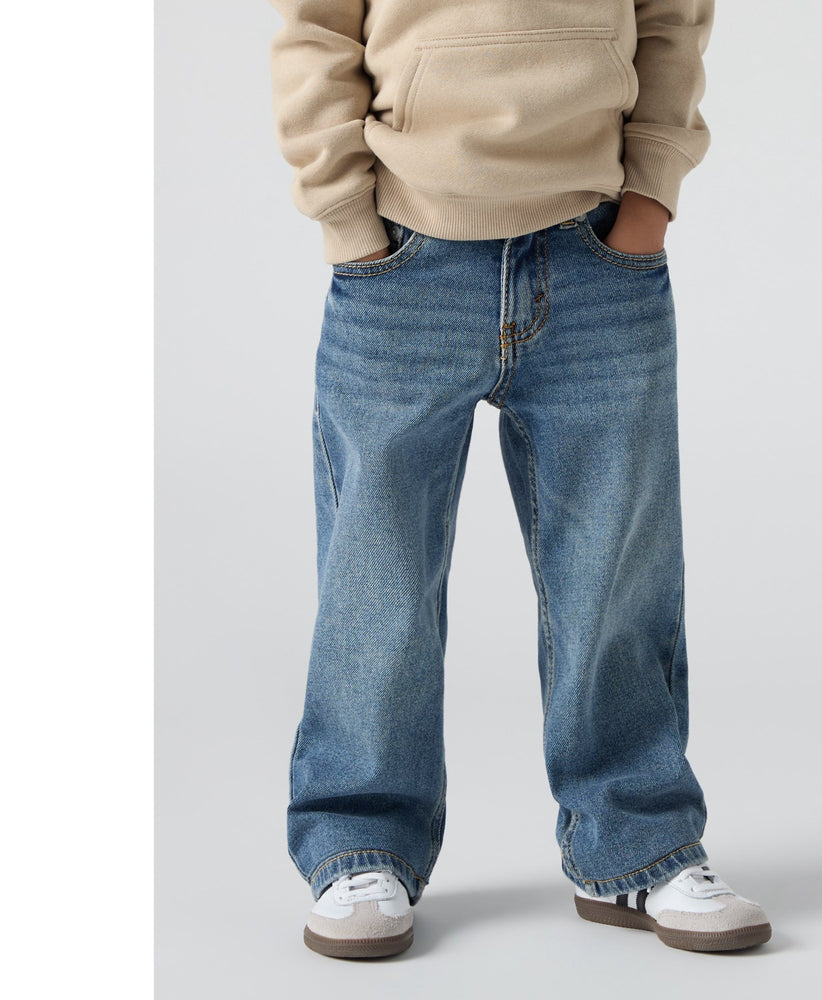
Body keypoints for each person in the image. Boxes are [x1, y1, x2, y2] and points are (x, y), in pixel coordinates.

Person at [267, 0, 771, 959]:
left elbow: (671, 20)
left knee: (616, 576)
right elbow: (317, 31)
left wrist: (649, 201)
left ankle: (638, 843)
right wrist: (347, 217)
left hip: (598, 257)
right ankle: (359, 843)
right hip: (404, 261)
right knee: (377, 581)